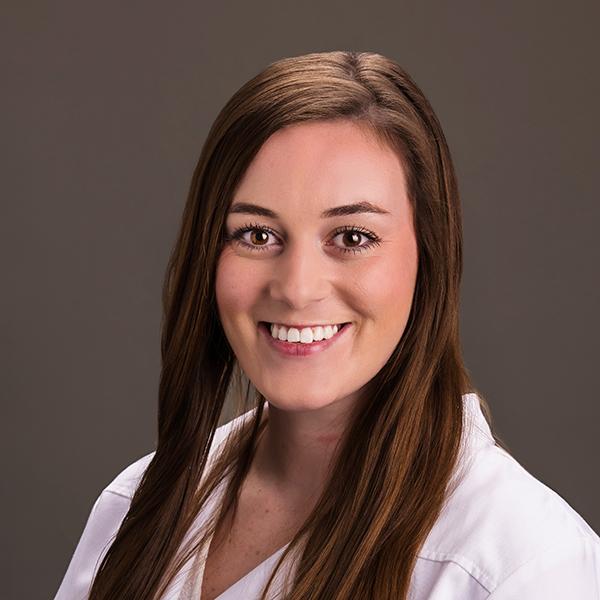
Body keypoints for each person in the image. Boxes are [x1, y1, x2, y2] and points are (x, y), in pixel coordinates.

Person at [54, 50, 600, 600]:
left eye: (352, 237)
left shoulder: (523, 568)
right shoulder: (135, 508)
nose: (296, 289)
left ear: (429, 256)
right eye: (257, 235)